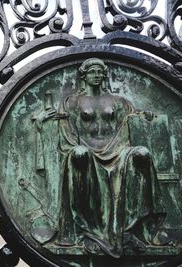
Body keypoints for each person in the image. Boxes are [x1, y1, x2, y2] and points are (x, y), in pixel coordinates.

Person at [36, 58, 167, 257]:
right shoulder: (72, 102)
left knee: (142, 153)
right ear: (84, 76)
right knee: (80, 154)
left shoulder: (118, 101)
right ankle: (89, 230)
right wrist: (41, 120)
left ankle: (130, 230)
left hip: (118, 151)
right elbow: (62, 128)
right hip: (86, 153)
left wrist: (145, 116)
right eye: (92, 72)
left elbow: (134, 117)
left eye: (100, 72)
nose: (96, 75)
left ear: (104, 76)